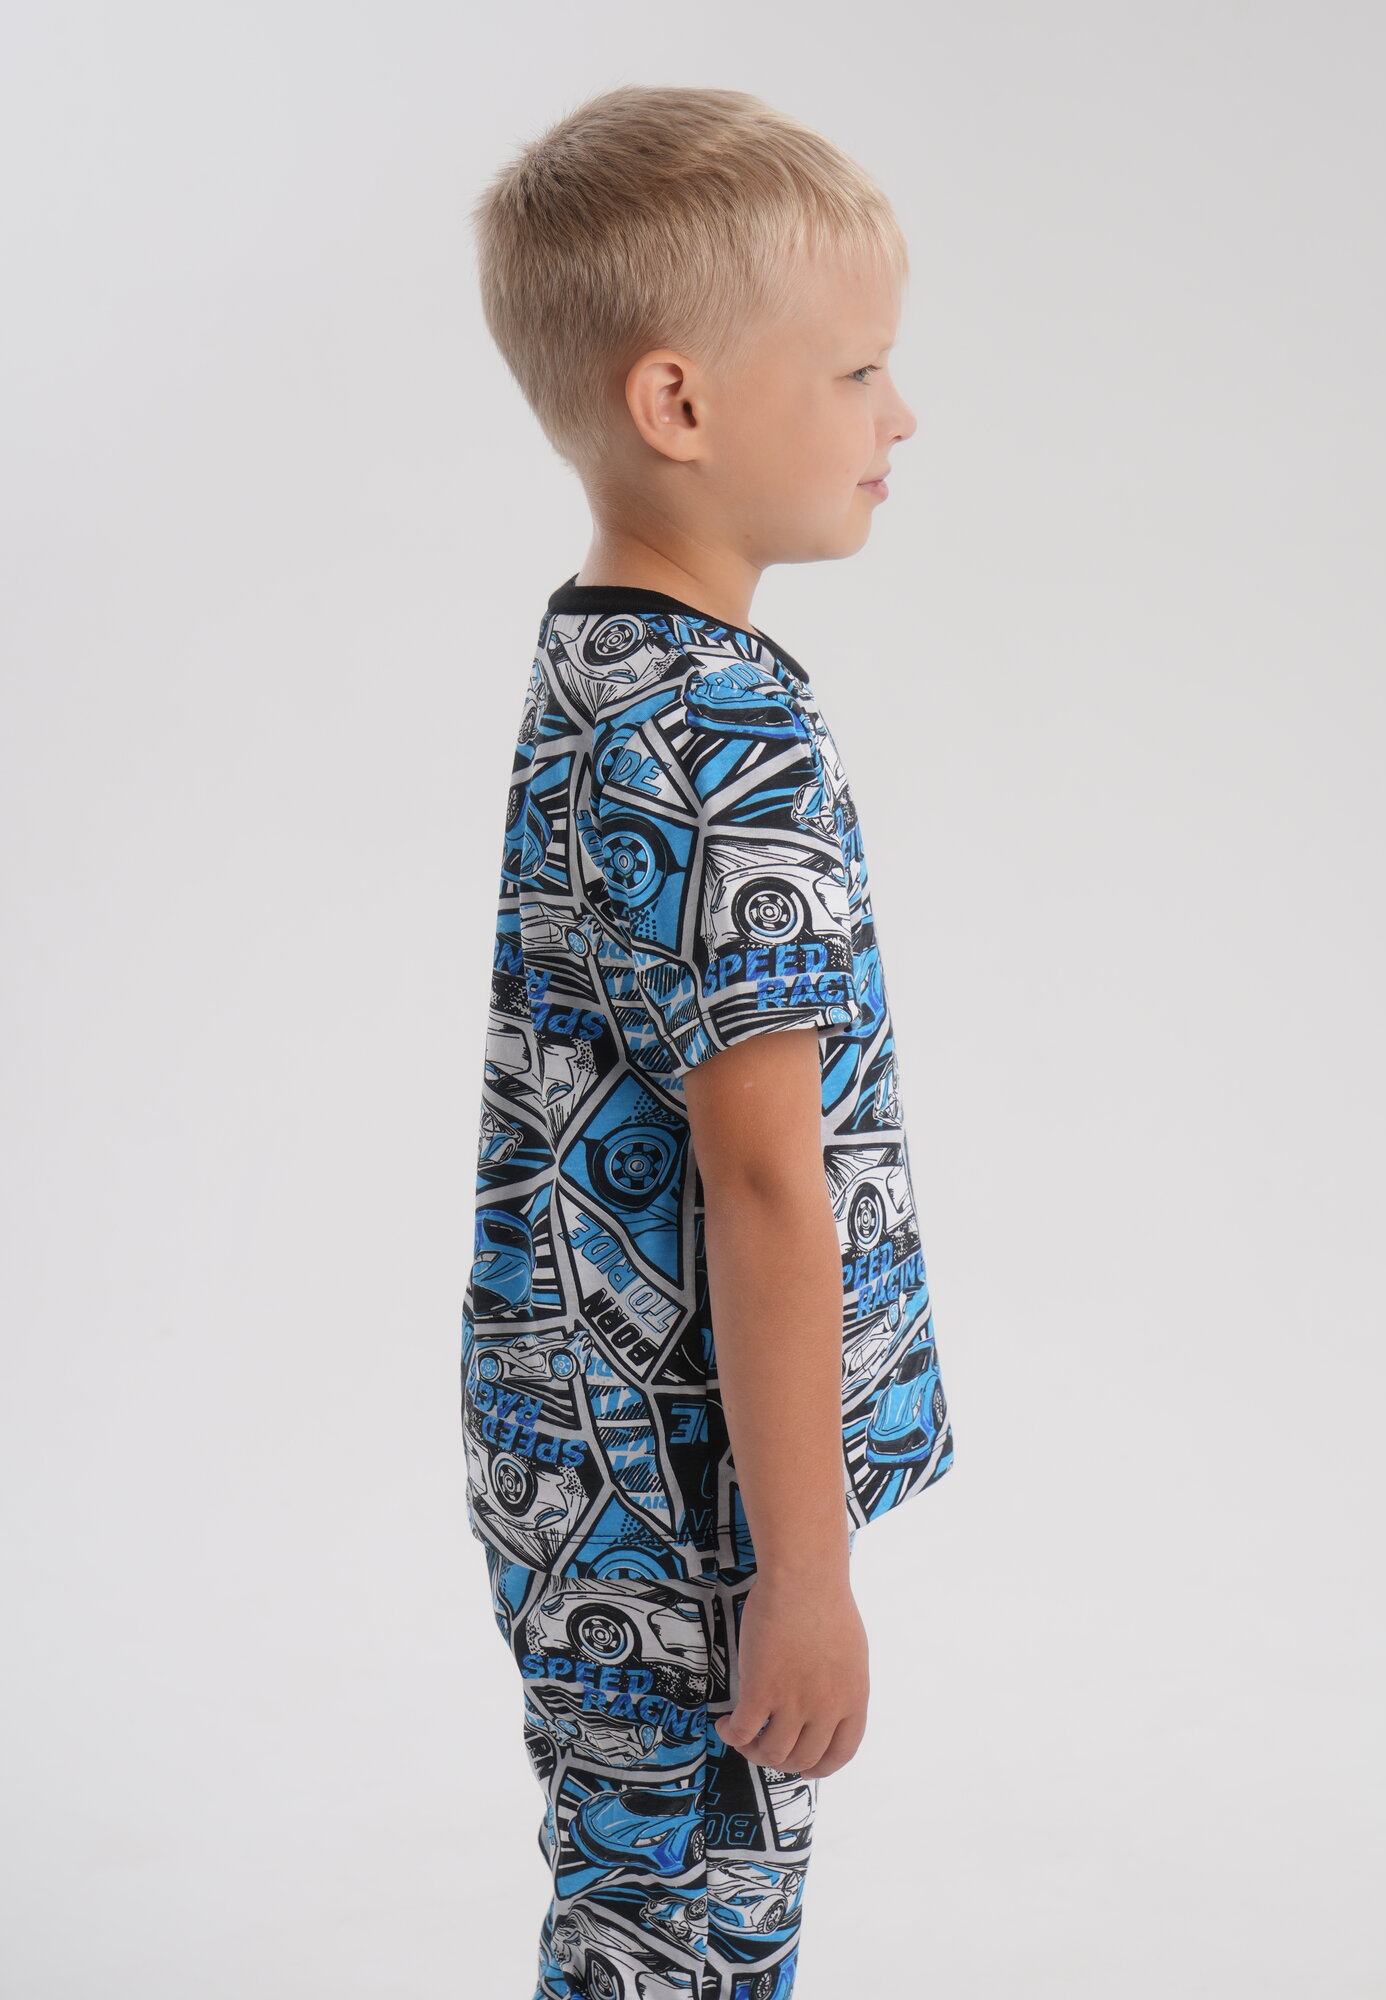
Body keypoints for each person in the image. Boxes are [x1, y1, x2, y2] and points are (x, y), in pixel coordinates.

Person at [460, 84, 958, 2000]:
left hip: (577, 1454)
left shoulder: (597, 661)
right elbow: (759, 1178)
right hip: (689, 1512)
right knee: (685, 1947)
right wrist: (802, 1574)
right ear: (677, 403)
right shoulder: (723, 737)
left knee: (634, 1923)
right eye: (855, 369)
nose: (898, 416)